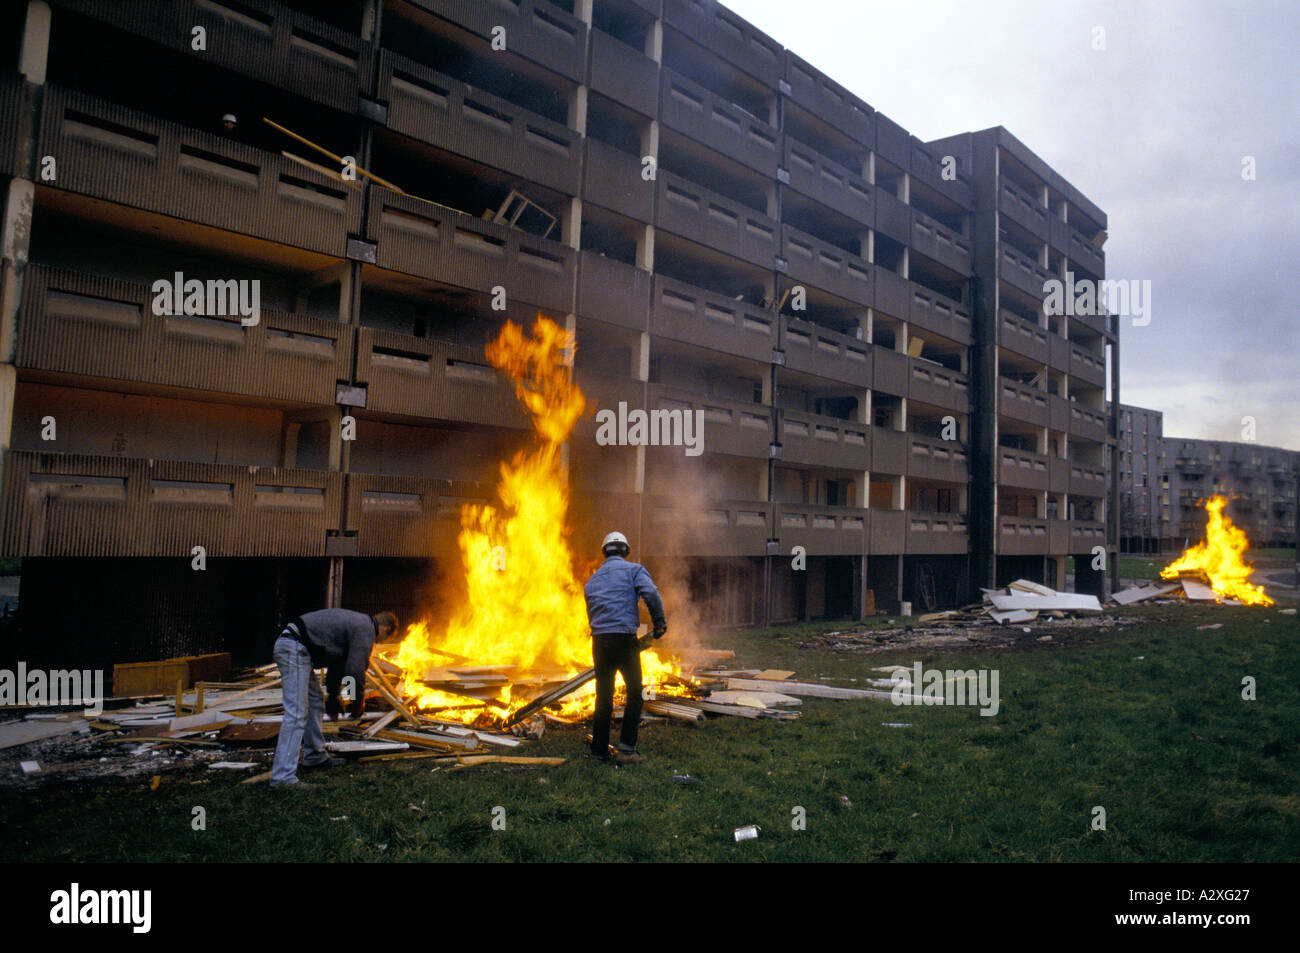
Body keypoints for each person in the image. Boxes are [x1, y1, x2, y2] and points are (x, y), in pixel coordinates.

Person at [270, 608, 400, 788]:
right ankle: (282, 777)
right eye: (385, 639)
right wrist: (356, 701)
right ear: (386, 629)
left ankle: (315, 756)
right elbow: (354, 669)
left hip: (297, 647)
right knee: (297, 713)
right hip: (294, 647)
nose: (378, 643)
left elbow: (338, 664)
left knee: (315, 702)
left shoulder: (357, 626)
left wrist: (332, 697)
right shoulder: (366, 629)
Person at [583, 531, 667, 764]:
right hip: (625, 641)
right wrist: (659, 623)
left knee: (603, 698)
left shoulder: (593, 580)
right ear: (625, 551)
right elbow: (650, 592)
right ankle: (627, 751)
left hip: (600, 643)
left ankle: (598, 753)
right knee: (634, 695)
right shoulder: (634, 570)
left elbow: (592, 610)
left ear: (604, 552)